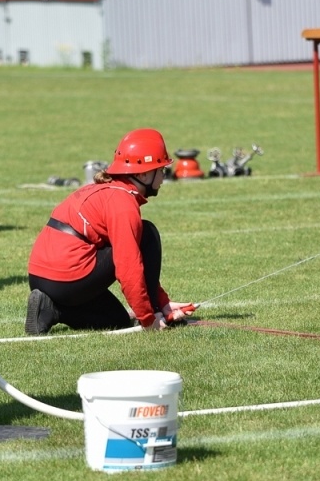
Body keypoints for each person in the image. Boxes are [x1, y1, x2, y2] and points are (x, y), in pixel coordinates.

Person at [25, 128, 195, 335]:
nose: (163, 176)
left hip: (40, 278)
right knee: (147, 234)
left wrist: (164, 303)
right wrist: (149, 319)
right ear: (143, 173)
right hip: (67, 277)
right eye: (161, 170)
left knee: (117, 320)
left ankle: (52, 309)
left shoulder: (104, 190)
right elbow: (129, 267)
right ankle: (152, 310)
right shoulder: (123, 203)